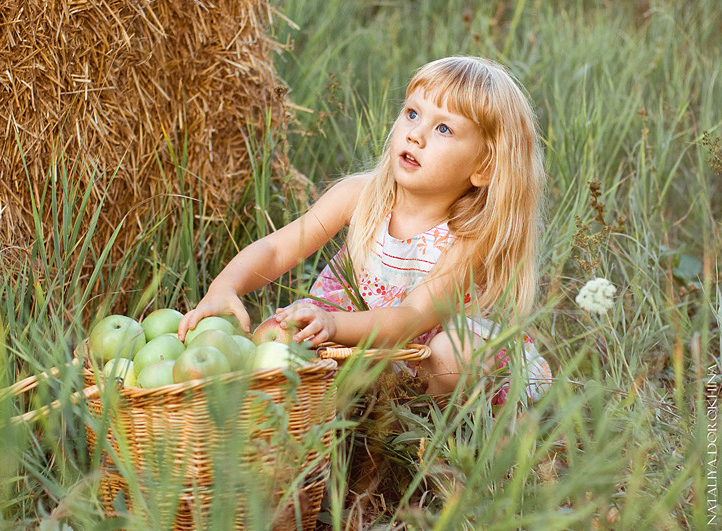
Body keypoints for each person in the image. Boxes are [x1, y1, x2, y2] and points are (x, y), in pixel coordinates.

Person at [178, 56, 551, 403]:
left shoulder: (468, 238)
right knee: (282, 338)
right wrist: (226, 285)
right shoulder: (358, 196)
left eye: (443, 128)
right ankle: (344, 419)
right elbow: (278, 250)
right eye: (411, 114)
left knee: (456, 353)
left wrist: (333, 324)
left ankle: (429, 429)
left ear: (483, 167)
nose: (415, 135)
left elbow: (409, 319)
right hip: (355, 333)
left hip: (419, 354)